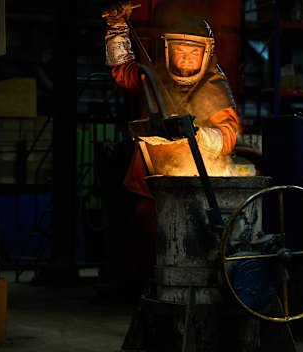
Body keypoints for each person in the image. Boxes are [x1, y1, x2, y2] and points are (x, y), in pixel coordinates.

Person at [102, 1, 239, 295]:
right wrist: (117, 28)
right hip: (149, 177)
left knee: (189, 238)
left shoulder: (215, 86)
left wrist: (199, 135)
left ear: (207, 53)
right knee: (146, 233)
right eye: (180, 50)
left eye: (193, 52)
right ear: (169, 50)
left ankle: (183, 289)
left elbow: (228, 134)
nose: (186, 59)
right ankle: (145, 288)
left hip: (193, 181)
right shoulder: (153, 75)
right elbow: (121, 69)